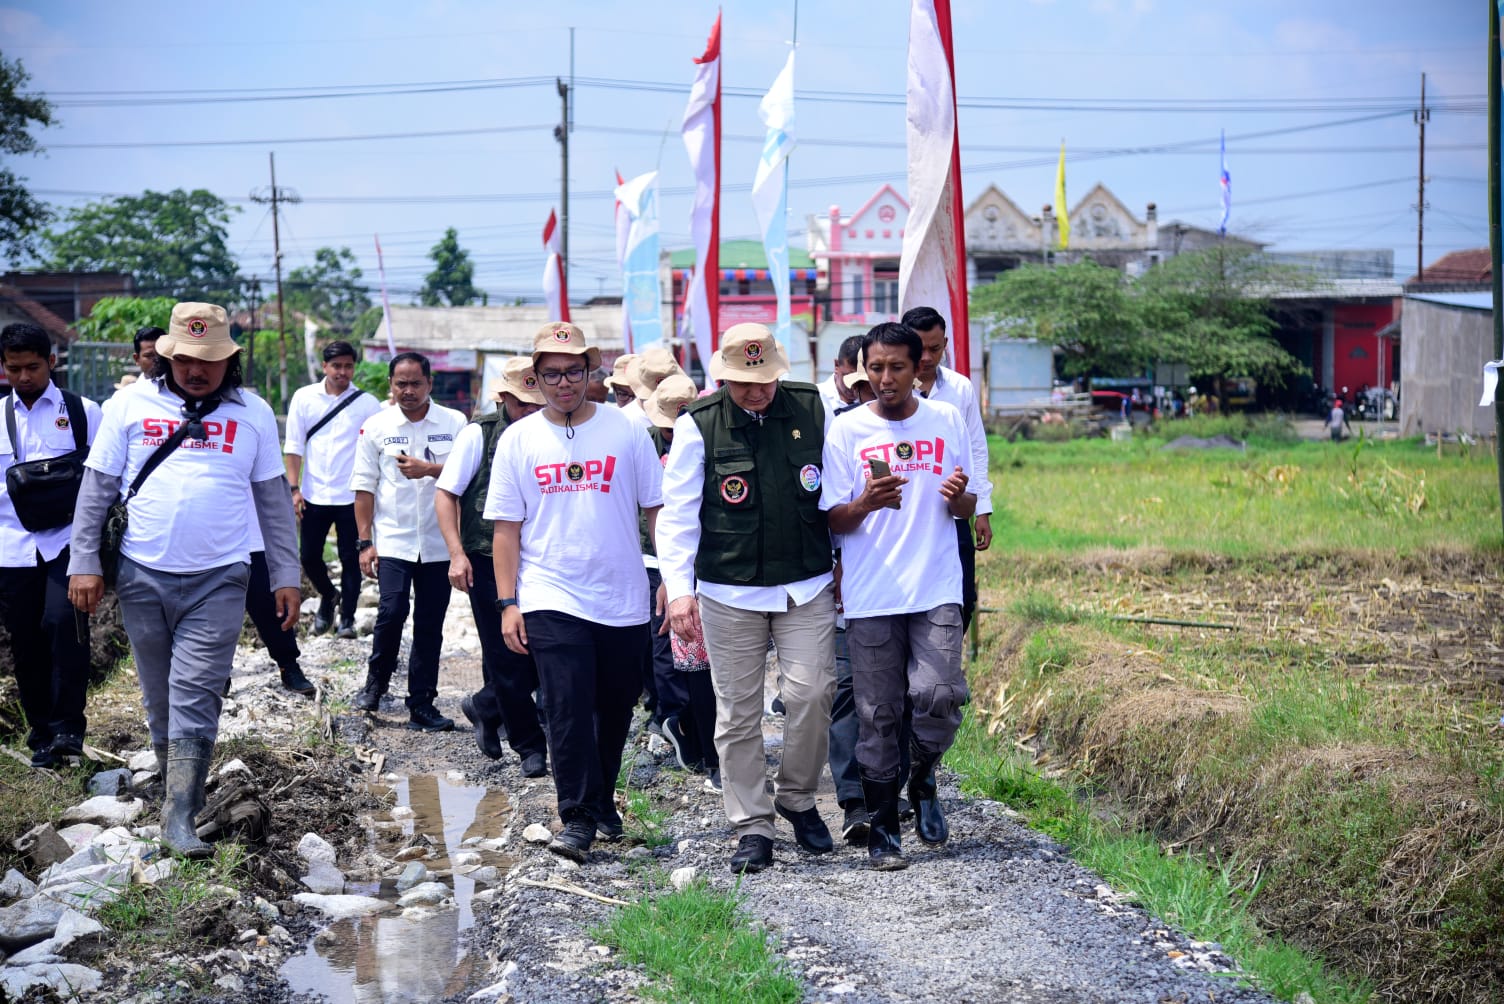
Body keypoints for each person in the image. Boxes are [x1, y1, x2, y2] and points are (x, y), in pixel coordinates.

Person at [68, 302, 299, 858]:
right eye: (188, 359)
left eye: (211, 360)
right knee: (159, 696)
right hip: (142, 573)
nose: (198, 370)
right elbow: (97, 488)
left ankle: (179, 818)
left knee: (196, 692)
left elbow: (273, 501)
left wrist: (286, 573)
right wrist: (84, 561)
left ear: (231, 360)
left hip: (220, 577)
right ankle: (176, 790)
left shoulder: (253, 414)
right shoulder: (129, 405)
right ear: (168, 356)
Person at [658, 322, 837, 874]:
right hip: (727, 589)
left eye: (764, 381)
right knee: (737, 714)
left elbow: (840, 491)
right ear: (722, 378)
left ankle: (798, 798)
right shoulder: (698, 426)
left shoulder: (813, 410)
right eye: (743, 383)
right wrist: (680, 593)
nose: (756, 391)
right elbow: (678, 517)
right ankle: (753, 824)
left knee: (811, 693)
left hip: (804, 583)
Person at [486, 322, 664, 863]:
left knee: (614, 708)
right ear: (535, 379)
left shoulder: (627, 430)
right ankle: (578, 817)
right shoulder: (518, 439)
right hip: (549, 593)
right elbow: (506, 530)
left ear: (592, 373)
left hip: (623, 594)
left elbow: (656, 509)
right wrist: (508, 602)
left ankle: (603, 799)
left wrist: (675, 583)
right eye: (551, 375)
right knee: (565, 707)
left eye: (573, 372)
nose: (563, 383)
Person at [821, 321, 976, 870]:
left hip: (935, 585)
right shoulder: (846, 430)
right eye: (876, 368)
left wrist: (961, 501)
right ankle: (885, 824)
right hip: (871, 594)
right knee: (878, 712)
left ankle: (920, 772)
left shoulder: (946, 418)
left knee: (939, 695)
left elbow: (963, 505)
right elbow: (834, 518)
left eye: (897, 368)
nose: (885, 379)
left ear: (919, 370)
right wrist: (865, 502)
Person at [434, 358, 549, 777]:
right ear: (503, 398)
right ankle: (529, 745)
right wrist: (456, 553)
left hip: (540, 557)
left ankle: (484, 704)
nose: (531, 412)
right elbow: (445, 494)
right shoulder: (478, 436)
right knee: (506, 654)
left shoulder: (554, 430)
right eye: (523, 405)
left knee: (547, 647)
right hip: (485, 558)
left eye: (538, 404)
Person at [0, 323, 103, 768]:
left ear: (52, 362)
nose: (24, 377)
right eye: (14, 369)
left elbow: (104, 481)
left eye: (32, 367)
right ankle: (40, 732)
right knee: (25, 641)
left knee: (66, 627)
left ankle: (67, 731)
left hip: (67, 542)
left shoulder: (83, 412)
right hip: (10, 546)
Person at [349, 351, 467, 731]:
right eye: (401, 384)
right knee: (392, 611)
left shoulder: (455, 423)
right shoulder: (376, 426)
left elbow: (470, 475)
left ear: (430, 384)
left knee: (430, 624)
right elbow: (364, 488)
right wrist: (364, 542)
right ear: (390, 386)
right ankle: (375, 685)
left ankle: (422, 704)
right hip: (394, 541)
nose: (408, 391)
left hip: (439, 542)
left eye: (416, 383)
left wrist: (430, 470)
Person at [901, 305, 994, 631]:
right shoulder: (887, 390)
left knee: (962, 598)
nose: (926, 357)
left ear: (946, 345)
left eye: (935, 348)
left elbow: (976, 451)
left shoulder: (960, 389)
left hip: (952, 511)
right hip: (903, 515)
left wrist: (982, 508)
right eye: (919, 348)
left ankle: (943, 671)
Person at [641, 374, 715, 779]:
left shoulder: (672, 457)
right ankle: (705, 746)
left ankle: (703, 746)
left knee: (695, 664)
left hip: (691, 572)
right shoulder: (673, 456)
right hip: (693, 572)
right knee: (699, 665)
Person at [285, 341, 383, 638]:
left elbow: (378, 448)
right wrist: (293, 488)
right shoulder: (304, 398)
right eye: (336, 366)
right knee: (309, 556)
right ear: (325, 367)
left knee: (351, 558)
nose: (342, 372)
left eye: (348, 366)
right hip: (314, 493)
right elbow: (293, 445)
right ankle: (329, 596)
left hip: (353, 496)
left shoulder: (367, 404)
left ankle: (348, 620)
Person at [817, 335, 864, 414]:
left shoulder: (876, 402)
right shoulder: (817, 398)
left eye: (861, 380)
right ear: (836, 365)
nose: (853, 386)